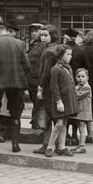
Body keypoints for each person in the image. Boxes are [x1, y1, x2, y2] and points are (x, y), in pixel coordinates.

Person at [0, 23, 30, 154]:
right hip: (15, 82)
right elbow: (26, 65)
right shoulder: (19, 43)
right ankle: (15, 144)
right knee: (15, 112)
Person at [44, 45, 78, 157]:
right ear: (60, 55)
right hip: (60, 101)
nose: (70, 56)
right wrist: (58, 101)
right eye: (68, 54)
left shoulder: (68, 68)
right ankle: (49, 146)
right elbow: (54, 87)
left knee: (64, 124)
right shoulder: (55, 69)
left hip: (68, 100)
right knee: (59, 124)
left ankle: (61, 147)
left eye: (71, 54)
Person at [33, 25, 61, 155]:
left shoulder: (49, 51)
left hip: (48, 87)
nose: (43, 38)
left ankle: (47, 145)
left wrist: (40, 88)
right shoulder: (54, 48)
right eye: (42, 35)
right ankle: (55, 145)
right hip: (55, 87)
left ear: (52, 36)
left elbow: (46, 72)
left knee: (48, 116)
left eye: (46, 35)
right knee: (52, 116)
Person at [26, 23, 45, 129]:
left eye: (35, 31)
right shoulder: (34, 44)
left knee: (38, 103)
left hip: (38, 79)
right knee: (36, 103)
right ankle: (36, 123)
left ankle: (37, 124)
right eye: (32, 31)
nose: (33, 33)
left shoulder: (43, 45)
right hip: (31, 79)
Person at [69, 68, 92, 153]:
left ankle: (82, 146)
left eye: (83, 76)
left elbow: (77, 95)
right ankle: (80, 145)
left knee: (82, 128)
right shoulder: (79, 86)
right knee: (80, 128)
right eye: (78, 76)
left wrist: (74, 88)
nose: (81, 78)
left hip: (84, 111)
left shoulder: (86, 87)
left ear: (87, 78)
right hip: (80, 111)